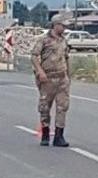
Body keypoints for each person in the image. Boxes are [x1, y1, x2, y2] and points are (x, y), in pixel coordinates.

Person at [31, 12, 72, 147]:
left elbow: (66, 58)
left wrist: (68, 75)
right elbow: (34, 56)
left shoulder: (64, 41)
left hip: (62, 78)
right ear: (56, 25)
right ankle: (45, 133)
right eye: (62, 26)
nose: (64, 29)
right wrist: (40, 71)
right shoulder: (44, 40)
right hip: (47, 79)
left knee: (62, 107)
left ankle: (59, 136)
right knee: (44, 107)